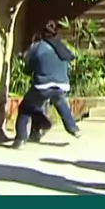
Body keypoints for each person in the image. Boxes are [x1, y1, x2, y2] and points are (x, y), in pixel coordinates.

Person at [13, 21, 80, 149]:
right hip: (62, 85)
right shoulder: (61, 47)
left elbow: (28, 69)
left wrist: (28, 68)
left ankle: (20, 138)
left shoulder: (38, 47)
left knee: (25, 108)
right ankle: (73, 128)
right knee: (59, 101)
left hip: (43, 85)